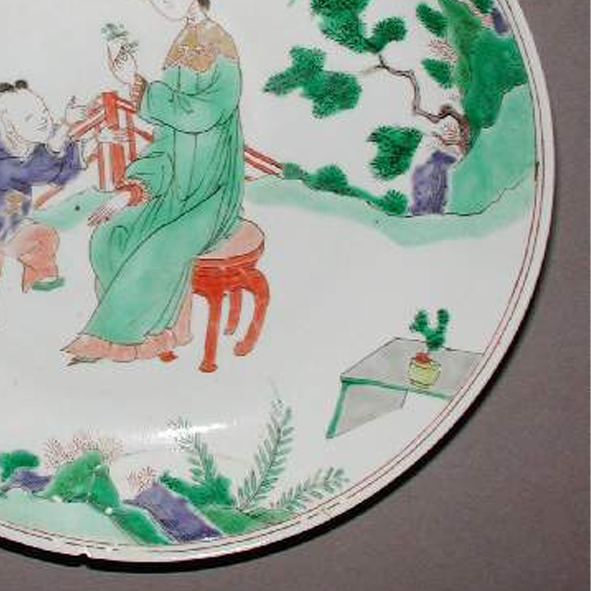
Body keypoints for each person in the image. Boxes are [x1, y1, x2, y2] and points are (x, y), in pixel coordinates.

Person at [64, 0, 244, 364]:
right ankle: (157, 329)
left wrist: (138, 85)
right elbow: (166, 140)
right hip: (173, 187)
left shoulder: (223, 47)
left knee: (160, 246)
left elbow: (201, 115)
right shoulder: (178, 49)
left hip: (212, 193)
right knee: (110, 234)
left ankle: (114, 337)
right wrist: (130, 191)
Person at [0, 81, 89, 292]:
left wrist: (79, 145)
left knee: (43, 235)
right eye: (29, 118)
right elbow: (34, 170)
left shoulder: (32, 145)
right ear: (9, 126)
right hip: (5, 225)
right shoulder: (5, 160)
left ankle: (38, 277)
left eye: (44, 111)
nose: (43, 119)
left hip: (12, 224)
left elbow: (59, 175)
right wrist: (66, 127)